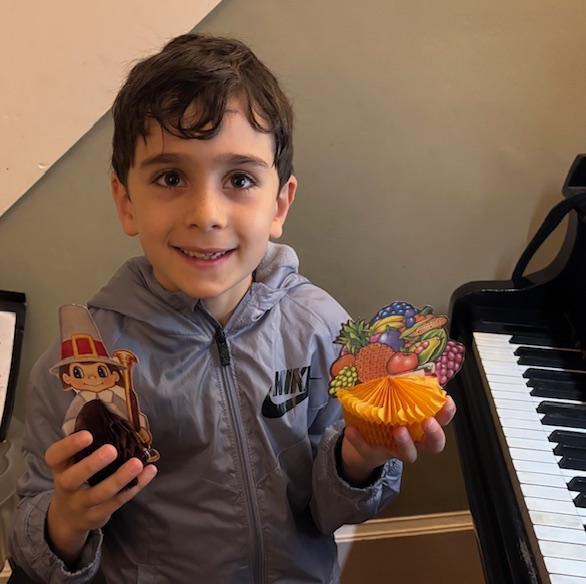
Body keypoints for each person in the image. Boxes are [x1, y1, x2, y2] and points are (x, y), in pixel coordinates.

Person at [9, 33, 456, 583]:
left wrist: (359, 458)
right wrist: (67, 519)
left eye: (240, 179)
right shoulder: (79, 365)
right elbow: (30, 540)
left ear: (280, 204)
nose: (207, 213)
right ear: (126, 202)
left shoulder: (322, 329)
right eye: (170, 178)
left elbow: (331, 513)